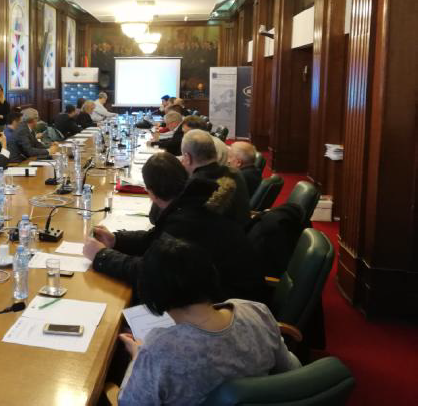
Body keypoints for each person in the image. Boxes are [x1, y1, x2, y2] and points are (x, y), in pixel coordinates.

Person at [117, 236, 300, 406]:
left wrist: (137, 357)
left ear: (151, 291)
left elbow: (128, 403)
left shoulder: (157, 350)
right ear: (211, 274)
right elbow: (291, 369)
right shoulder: (256, 311)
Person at [83, 152, 265, 302]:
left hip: (225, 305)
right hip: (220, 293)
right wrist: (116, 240)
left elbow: (151, 272)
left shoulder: (186, 219)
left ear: (151, 193)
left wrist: (102, 256)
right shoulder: (191, 202)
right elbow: (155, 238)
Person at [181, 129, 252, 229]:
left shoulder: (194, 185)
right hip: (242, 234)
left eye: (183, 158)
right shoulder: (236, 173)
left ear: (187, 158)